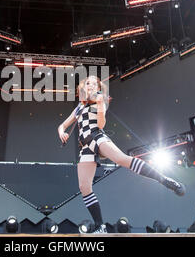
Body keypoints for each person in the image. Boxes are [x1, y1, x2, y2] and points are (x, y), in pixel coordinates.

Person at [58, 76, 185, 234]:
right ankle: (100, 226)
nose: (89, 85)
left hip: (97, 137)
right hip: (85, 147)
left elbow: (101, 124)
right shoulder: (79, 106)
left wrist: (99, 106)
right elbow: (62, 125)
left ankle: (165, 180)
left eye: (93, 83)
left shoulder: (100, 99)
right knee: (84, 187)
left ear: (98, 87)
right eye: (87, 83)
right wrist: (62, 132)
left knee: (122, 159)